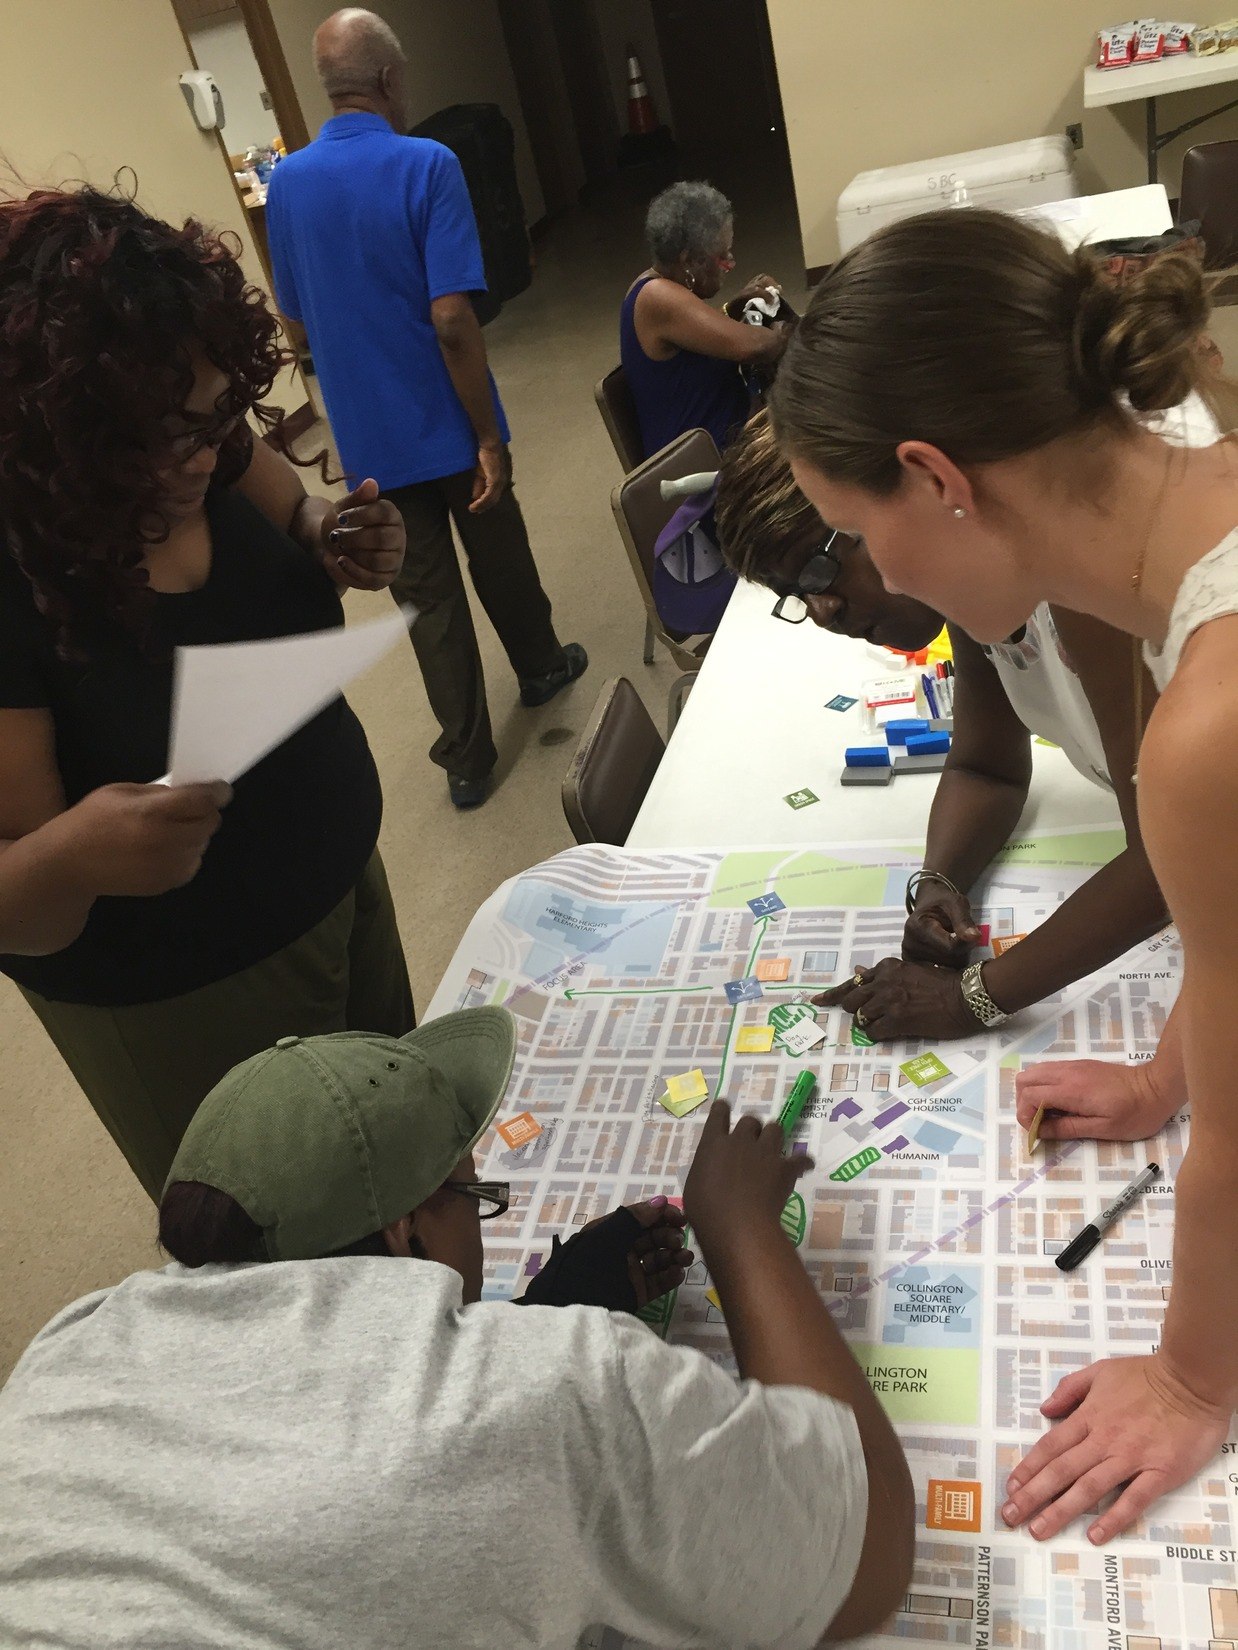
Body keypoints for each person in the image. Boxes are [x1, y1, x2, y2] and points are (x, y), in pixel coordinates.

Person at [768, 205, 1238, 1545]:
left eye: (850, 526)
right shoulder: (1197, 503)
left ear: (934, 476)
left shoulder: (1202, 722)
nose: (879, 577)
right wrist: (1160, 1076)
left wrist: (1194, 1374)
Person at [0, 1008, 914, 1647]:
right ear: (406, 1235)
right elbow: (863, 1555)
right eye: (472, 1198)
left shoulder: (66, 1351)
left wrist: (536, 1312)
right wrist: (740, 1227)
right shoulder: (550, 1393)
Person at [0, 183, 414, 1202]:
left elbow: (305, 517)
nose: (206, 451)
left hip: (336, 881)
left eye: (219, 413)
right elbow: (23, 908)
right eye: (168, 434)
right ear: (67, 429)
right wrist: (78, 852)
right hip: (181, 993)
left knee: (407, 1175)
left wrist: (340, 537)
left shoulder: (213, 445)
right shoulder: (16, 567)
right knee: (293, 1255)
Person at [714, 410, 1181, 1041]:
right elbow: (986, 768)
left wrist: (972, 999)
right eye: (794, 595)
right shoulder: (961, 579)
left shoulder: (1078, 580)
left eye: (819, 573)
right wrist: (942, 882)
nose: (822, 611)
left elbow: (1166, 858)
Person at [265, 9, 586, 811]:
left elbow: (297, 322)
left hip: (371, 438)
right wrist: (486, 433)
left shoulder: (288, 184)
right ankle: (543, 668)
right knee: (499, 550)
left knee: (425, 597)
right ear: (388, 79)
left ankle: (467, 758)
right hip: (448, 421)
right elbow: (451, 319)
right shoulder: (427, 164)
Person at [621, 180, 788, 460]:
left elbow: (695, 345)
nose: (730, 264)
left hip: (722, 441)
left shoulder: (657, 285)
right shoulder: (657, 297)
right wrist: (786, 327)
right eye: (723, 255)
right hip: (703, 468)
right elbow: (758, 347)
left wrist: (733, 306)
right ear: (690, 261)